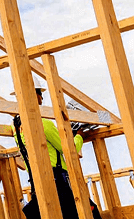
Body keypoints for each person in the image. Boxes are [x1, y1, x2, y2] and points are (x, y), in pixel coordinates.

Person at [14, 87, 101, 219]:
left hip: (38, 187)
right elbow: (67, 149)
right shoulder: (45, 124)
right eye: (41, 94)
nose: (42, 98)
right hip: (58, 184)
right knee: (90, 212)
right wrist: (79, 136)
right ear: (35, 96)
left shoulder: (17, 130)